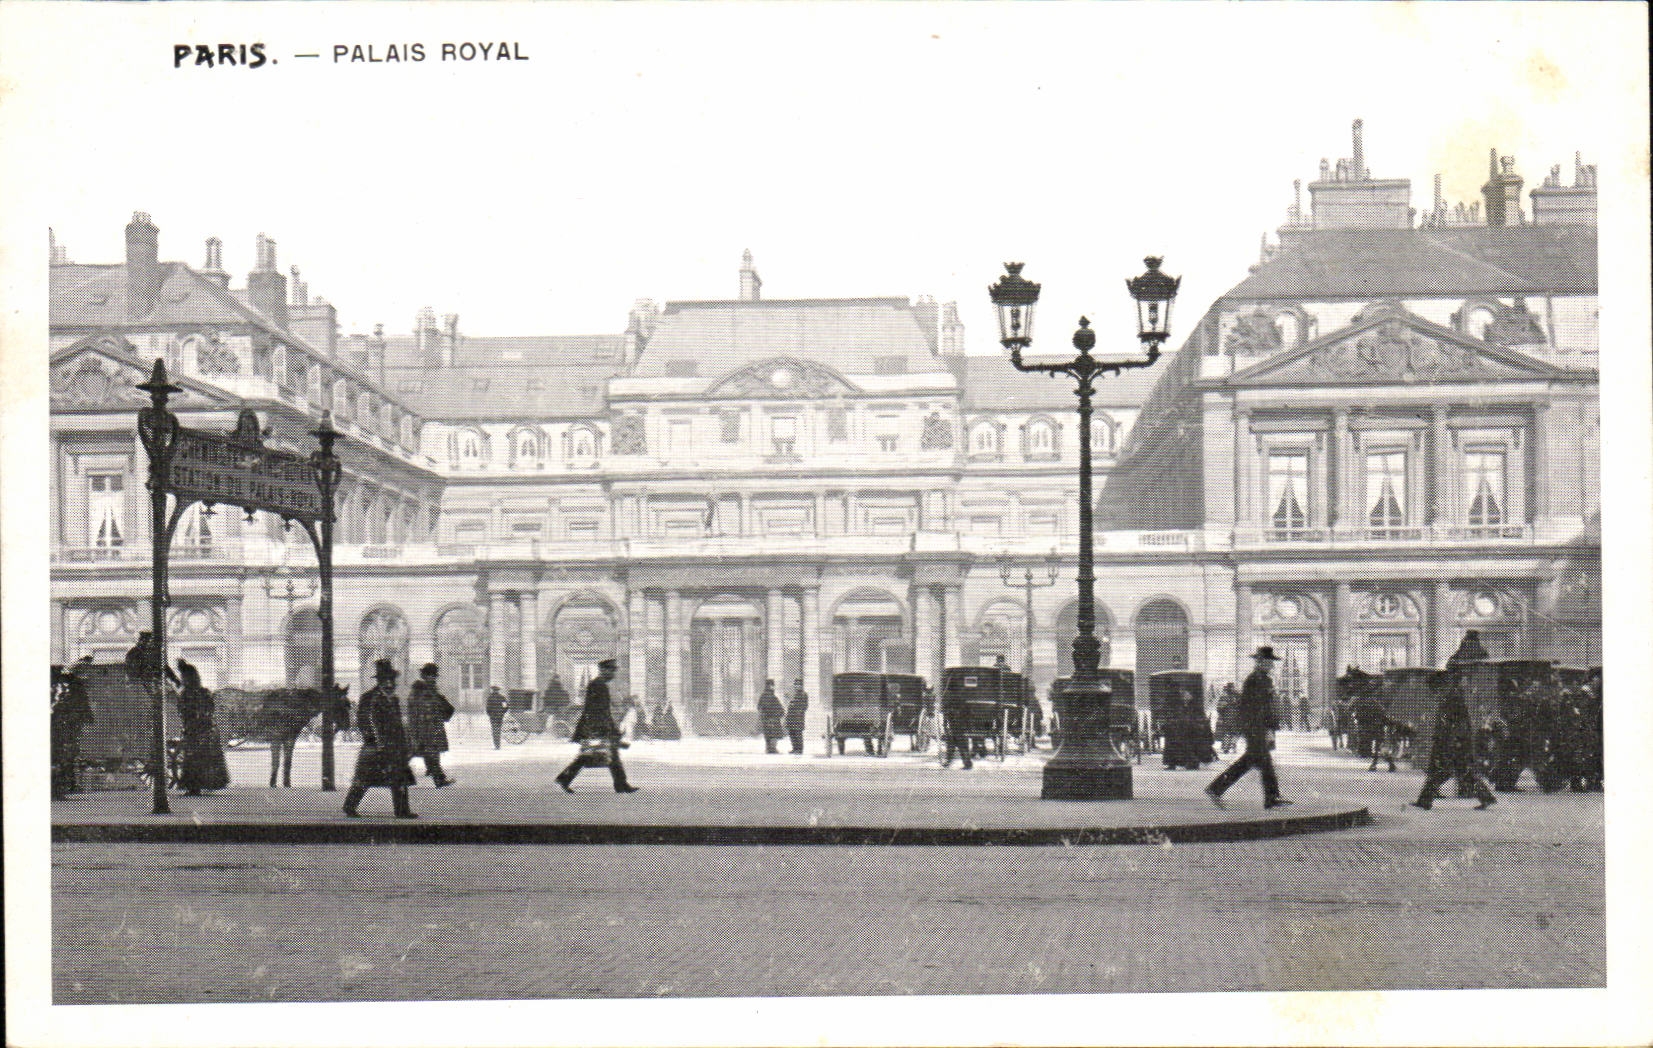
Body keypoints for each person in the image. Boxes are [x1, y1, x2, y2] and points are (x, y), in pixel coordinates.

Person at [1206, 647, 1291, 809]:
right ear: (1260, 662)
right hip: (1255, 727)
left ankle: (1216, 789)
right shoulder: (1256, 680)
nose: (1271, 665)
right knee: (1260, 762)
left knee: (1250, 762)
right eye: (1268, 662)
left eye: (1271, 662)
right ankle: (1271, 798)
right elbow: (1256, 707)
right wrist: (1265, 728)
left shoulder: (1260, 679)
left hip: (1255, 727)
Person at [1412, 670, 1497, 810]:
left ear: (1441, 686)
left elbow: (1460, 723)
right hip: (1450, 741)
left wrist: (1456, 740)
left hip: (1453, 743)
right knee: (1459, 772)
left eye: (1435, 689)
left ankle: (1425, 800)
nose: (1434, 692)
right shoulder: (1449, 697)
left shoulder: (1453, 699)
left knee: (1443, 771)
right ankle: (1486, 797)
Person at [343, 659, 417, 817]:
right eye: (386, 680)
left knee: (399, 776)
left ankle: (402, 811)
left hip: (395, 745)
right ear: (380, 681)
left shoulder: (394, 699)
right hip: (375, 746)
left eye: (392, 680)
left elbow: (398, 723)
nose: (390, 684)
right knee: (364, 777)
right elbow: (363, 721)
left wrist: (405, 743)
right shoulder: (369, 697)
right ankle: (349, 805)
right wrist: (373, 739)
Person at [555, 659, 638, 793]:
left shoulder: (598, 684)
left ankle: (621, 784)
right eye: (611, 671)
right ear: (604, 670)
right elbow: (599, 710)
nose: (613, 674)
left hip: (597, 725)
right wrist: (607, 729)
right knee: (593, 755)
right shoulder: (599, 685)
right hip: (597, 726)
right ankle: (565, 778)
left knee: (609, 754)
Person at [175, 658, 230, 795]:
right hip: (207, 729)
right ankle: (205, 783)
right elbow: (210, 709)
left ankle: (194, 786)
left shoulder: (186, 694)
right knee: (205, 758)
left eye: (183, 677)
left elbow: (183, 711)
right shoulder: (204, 692)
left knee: (193, 758)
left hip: (195, 730)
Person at [405, 663, 456, 787]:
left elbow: (442, 707)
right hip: (422, 728)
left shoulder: (432, 691)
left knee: (430, 753)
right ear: (424, 676)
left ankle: (439, 779)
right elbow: (413, 711)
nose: (432, 678)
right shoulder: (418, 691)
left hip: (432, 728)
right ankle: (395, 774)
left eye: (434, 676)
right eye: (429, 675)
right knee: (414, 753)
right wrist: (415, 729)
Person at [51, 662, 95, 797]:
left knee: (65, 754)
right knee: (65, 754)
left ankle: (64, 786)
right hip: (66, 724)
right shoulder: (72, 686)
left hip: (64, 724)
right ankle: (63, 786)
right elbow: (82, 704)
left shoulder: (67, 685)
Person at [939, 676, 974, 770]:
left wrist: (946, 721)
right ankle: (966, 762)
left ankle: (951, 761)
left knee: (952, 742)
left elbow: (944, 707)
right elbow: (968, 709)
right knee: (961, 742)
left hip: (953, 720)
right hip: (961, 721)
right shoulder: (963, 693)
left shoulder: (948, 694)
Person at [757, 679, 785, 754]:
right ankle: (772, 748)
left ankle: (769, 748)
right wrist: (779, 714)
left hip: (766, 719)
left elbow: (759, 707)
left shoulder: (763, 696)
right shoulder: (772, 697)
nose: (773, 687)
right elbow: (780, 709)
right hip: (773, 719)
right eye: (772, 685)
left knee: (768, 734)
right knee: (773, 734)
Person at [785, 677, 809, 755]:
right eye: (796, 685)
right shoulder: (795, 694)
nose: (797, 686)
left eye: (799, 685)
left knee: (798, 733)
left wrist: (797, 708)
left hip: (798, 718)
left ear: (801, 686)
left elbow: (804, 706)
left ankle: (799, 749)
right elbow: (792, 705)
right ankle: (795, 748)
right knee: (792, 733)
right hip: (791, 717)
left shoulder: (804, 694)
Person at [485, 685, 510, 750]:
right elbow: (506, 707)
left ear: (493, 690)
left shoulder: (490, 698)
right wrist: (502, 713)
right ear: (498, 691)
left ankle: (496, 745)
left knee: (494, 730)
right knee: (498, 730)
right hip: (500, 716)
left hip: (493, 717)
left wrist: (490, 714)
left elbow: (487, 708)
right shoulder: (502, 697)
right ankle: (498, 745)